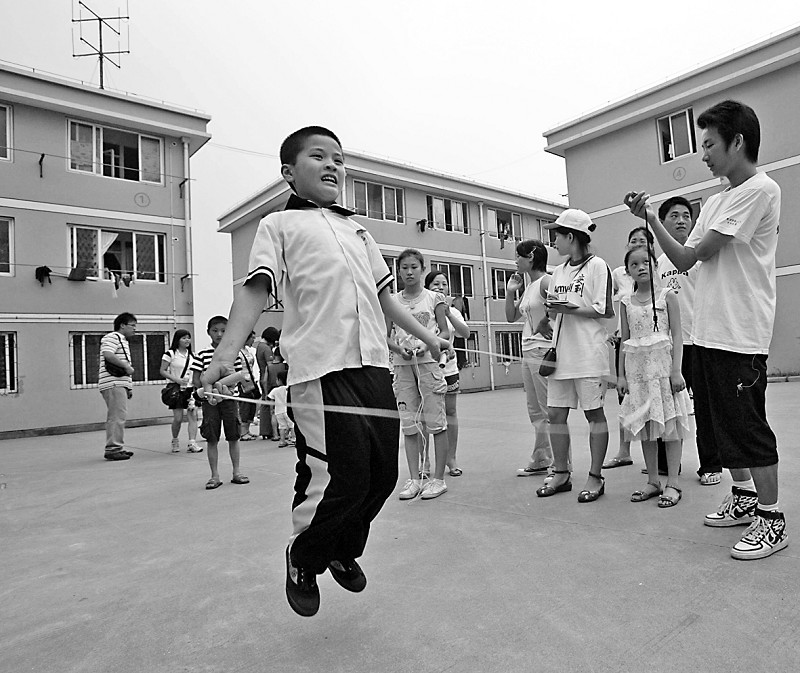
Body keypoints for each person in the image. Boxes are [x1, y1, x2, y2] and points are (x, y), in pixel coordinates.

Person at [200, 126, 449, 617]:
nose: (334, 165)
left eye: (339, 158)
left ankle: (339, 546)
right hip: (320, 370)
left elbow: (385, 298)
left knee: (381, 476)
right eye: (320, 156)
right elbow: (256, 289)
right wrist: (229, 352)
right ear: (289, 173)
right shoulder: (278, 228)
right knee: (341, 476)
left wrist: (429, 337)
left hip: (373, 364)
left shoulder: (358, 231)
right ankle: (305, 554)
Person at [625, 100, 786, 560]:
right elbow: (680, 258)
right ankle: (744, 497)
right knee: (720, 424)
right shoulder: (715, 199)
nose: (703, 155)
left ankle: (772, 519)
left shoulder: (761, 189)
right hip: (708, 330)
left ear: (738, 141)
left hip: (741, 331)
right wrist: (652, 218)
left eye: (710, 144)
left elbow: (701, 252)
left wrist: (660, 223)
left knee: (748, 427)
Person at [536, 209, 614, 503]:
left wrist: (568, 308)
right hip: (560, 355)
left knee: (594, 414)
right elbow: (555, 308)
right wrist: (548, 317)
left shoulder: (598, 267)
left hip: (588, 354)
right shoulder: (558, 272)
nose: (553, 241)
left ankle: (595, 477)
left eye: (557, 235)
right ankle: (561, 473)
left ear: (571, 237)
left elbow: (604, 309)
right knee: (555, 413)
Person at [656, 196, 722, 486]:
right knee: (666, 407)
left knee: (705, 408)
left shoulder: (698, 256)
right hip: (668, 346)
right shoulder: (657, 263)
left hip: (699, 340)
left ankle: (711, 464)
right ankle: (666, 466)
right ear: (662, 222)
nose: (682, 220)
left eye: (686, 215)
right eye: (674, 215)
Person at [618, 247, 690, 507]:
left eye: (646, 262)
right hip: (637, 374)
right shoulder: (625, 302)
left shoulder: (667, 296)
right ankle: (652, 481)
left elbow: (678, 336)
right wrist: (621, 377)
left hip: (663, 371)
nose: (641, 267)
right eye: (634, 264)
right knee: (647, 428)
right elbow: (625, 341)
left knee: (670, 427)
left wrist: (676, 370)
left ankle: (673, 483)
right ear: (628, 272)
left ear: (655, 265)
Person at [388, 249, 451, 501]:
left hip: (428, 364)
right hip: (403, 367)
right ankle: (415, 478)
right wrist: (397, 348)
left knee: (437, 422)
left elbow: (445, 333)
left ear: (422, 269)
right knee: (409, 424)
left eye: (414, 267)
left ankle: (438, 479)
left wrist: (428, 343)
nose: (409, 272)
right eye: (404, 267)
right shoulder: (391, 301)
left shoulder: (435, 298)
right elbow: (386, 336)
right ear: (398, 270)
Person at [504, 239, 555, 478]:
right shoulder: (530, 286)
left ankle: (560, 464)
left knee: (549, 410)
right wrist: (510, 291)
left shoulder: (546, 281)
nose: (515, 261)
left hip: (542, 350)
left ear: (531, 257)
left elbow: (561, 305)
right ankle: (541, 458)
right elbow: (511, 317)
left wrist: (546, 320)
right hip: (527, 350)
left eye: (518, 256)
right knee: (535, 410)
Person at [604, 226, 654, 469]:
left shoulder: (654, 271)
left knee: (655, 398)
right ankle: (624, 451)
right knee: (625, 397)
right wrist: (614, 332)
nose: (636, 243)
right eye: (632, 240)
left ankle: (660, 459)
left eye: (642, 241)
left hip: (652, 344)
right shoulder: (619, 273)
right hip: (626, 342)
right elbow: (610, 305)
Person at [191, 315, 249, 491]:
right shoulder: (202, 354)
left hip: (230, 400)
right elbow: (196, 380)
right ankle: (214, 475)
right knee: (212, 438)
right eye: (215, 331)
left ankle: (236, 472)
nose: (219, 334)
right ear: (208, 333)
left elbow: (238, 378)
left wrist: (225, 385)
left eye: (223, 331)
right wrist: (206, 387)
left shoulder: (234, 355)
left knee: (233, 436)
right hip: (210, 402)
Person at [425, 269, 469, 477]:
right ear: (427, 287)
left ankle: (451, 458)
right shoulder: (422, 308)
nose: (440, 287)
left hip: (448, 369)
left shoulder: (453, 312)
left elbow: (465, 333)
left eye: (443, 284)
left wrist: (449, 312)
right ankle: (423, 463)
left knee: (450, 413)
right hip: (425, 368)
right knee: (424, 416)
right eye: (435, 284)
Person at [99, 312, 137, 461]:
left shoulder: (122, 340)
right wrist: (126, 367)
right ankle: (113, 448)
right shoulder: (112, 337)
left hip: (118, 383)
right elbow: (108, 354)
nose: (134, 329)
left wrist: (128, 386)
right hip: (113, 382)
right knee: (116, 416)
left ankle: (117, 447)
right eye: (132, 326)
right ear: (122, 325)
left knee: (119, 415)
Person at [159, 329, 201, 453]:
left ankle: (192, 442)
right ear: (177, 340)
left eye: (188, 337)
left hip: (190, 389)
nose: (187, 340)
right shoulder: (170, 354)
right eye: (184, 338)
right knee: (178, 418)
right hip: (176, 389)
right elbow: (162, 370)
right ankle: (175, 439)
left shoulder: (193, 355)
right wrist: (176, 379)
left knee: (193, 416)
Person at [256, 326, 280, 439]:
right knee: (271, 406)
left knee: (265, 404)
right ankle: (268, 430)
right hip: (268, 378)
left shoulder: (259, 346)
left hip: (263, 376)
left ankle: (265, 430)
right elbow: (270, 364)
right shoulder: (266, 348)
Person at [238, 331, 260, 441]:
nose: (253, 340)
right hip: (243, 382)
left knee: (251, 406)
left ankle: (247, 430)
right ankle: (242, 432)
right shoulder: (238, 352)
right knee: (245, 406)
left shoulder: (248, 350)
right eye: (252, 338)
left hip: (251, 380)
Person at [268, 370, 294, 447]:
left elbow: (271, 400)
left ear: (279, 380)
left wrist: (272, 409)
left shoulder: (275, 390)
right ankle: (294, 438)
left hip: (278, 411)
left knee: (282, 426)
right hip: (287, 410)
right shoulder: (288, 388)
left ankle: (282, 441)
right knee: (292, 425)